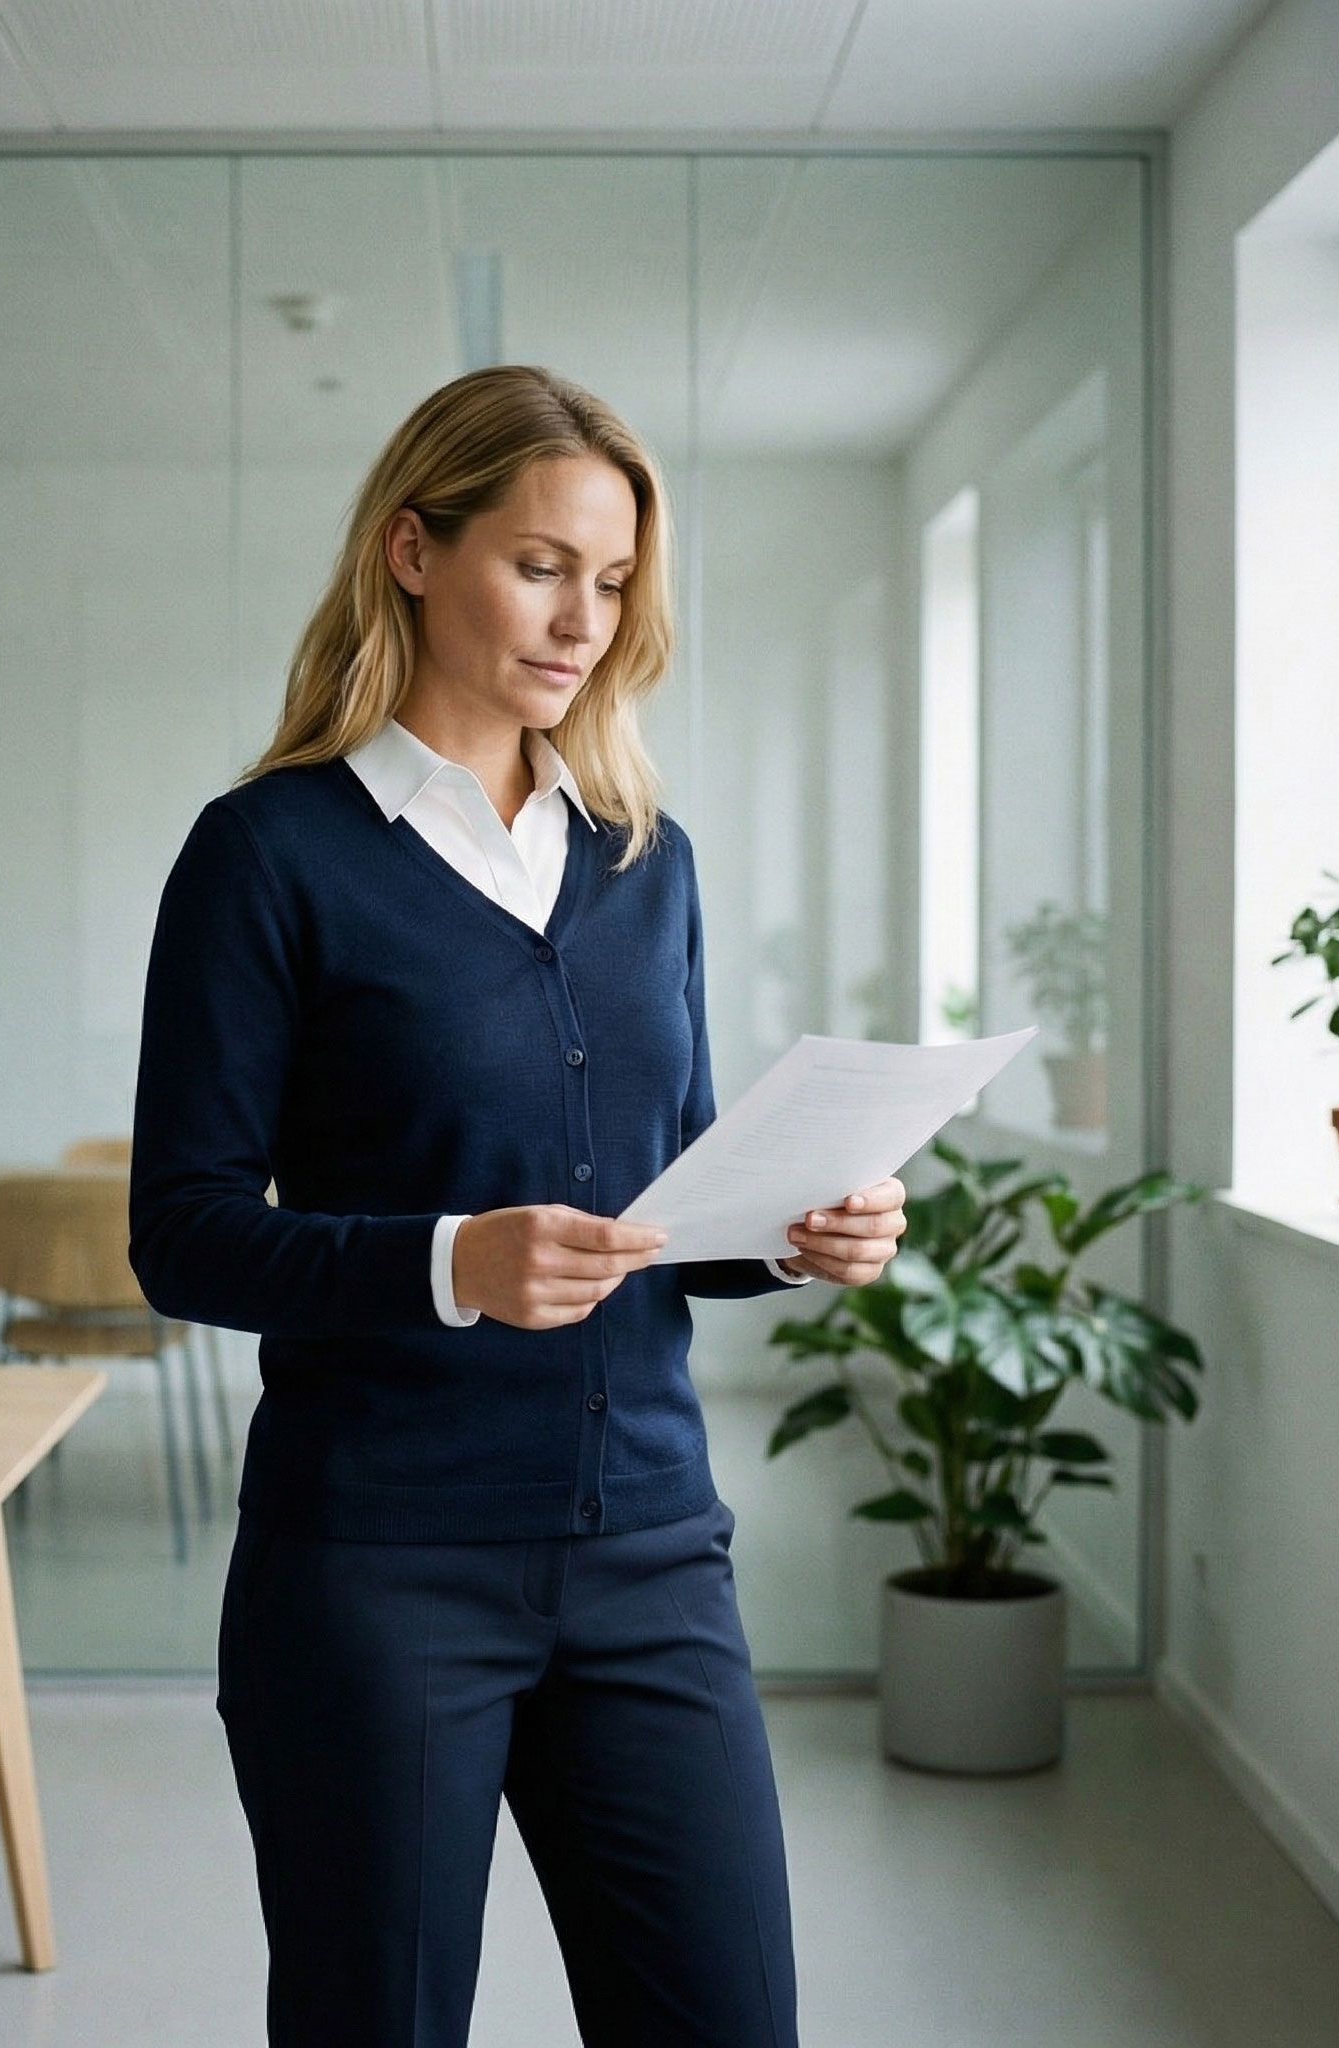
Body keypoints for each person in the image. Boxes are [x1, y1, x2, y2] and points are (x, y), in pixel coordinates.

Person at [130, 364, 906, 2048]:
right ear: (413, 550)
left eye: (615, 579)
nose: (585, 618)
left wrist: (793, 1232)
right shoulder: (267, 856)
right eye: (543, 564)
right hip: (377, 1573)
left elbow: (672, 1186)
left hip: (650, 1551)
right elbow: (182, 1232)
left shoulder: (647, 857)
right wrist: (449, 1265)